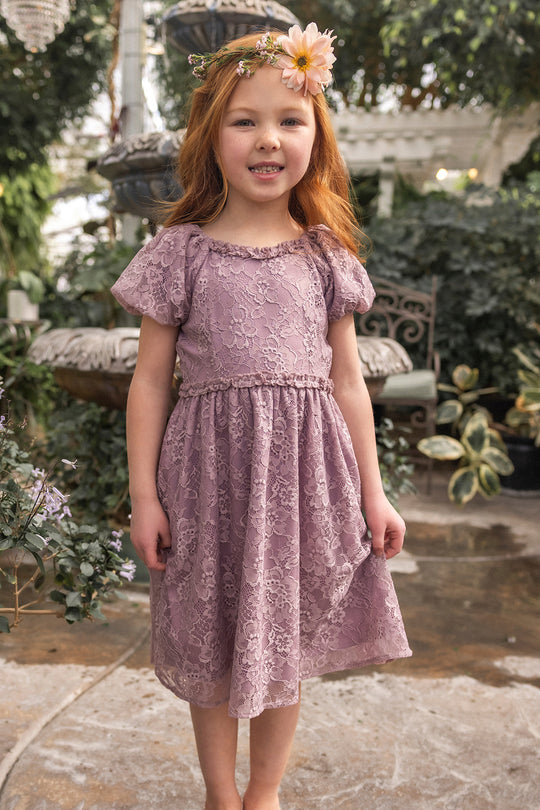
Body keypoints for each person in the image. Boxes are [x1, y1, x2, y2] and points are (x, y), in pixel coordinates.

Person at [112, 22, 411, 810]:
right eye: (244, 120)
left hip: (303, 487)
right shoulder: (181, 252)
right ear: (212, 138)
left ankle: (265, 795)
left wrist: (373, 494)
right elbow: (149, 384)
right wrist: (145, 496)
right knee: (210, 637)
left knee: (279, 641)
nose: (268, 139)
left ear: (318, 136)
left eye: (290, 120)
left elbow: (349, 383)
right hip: (207, 484)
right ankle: (220, 795)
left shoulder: (324, 255)